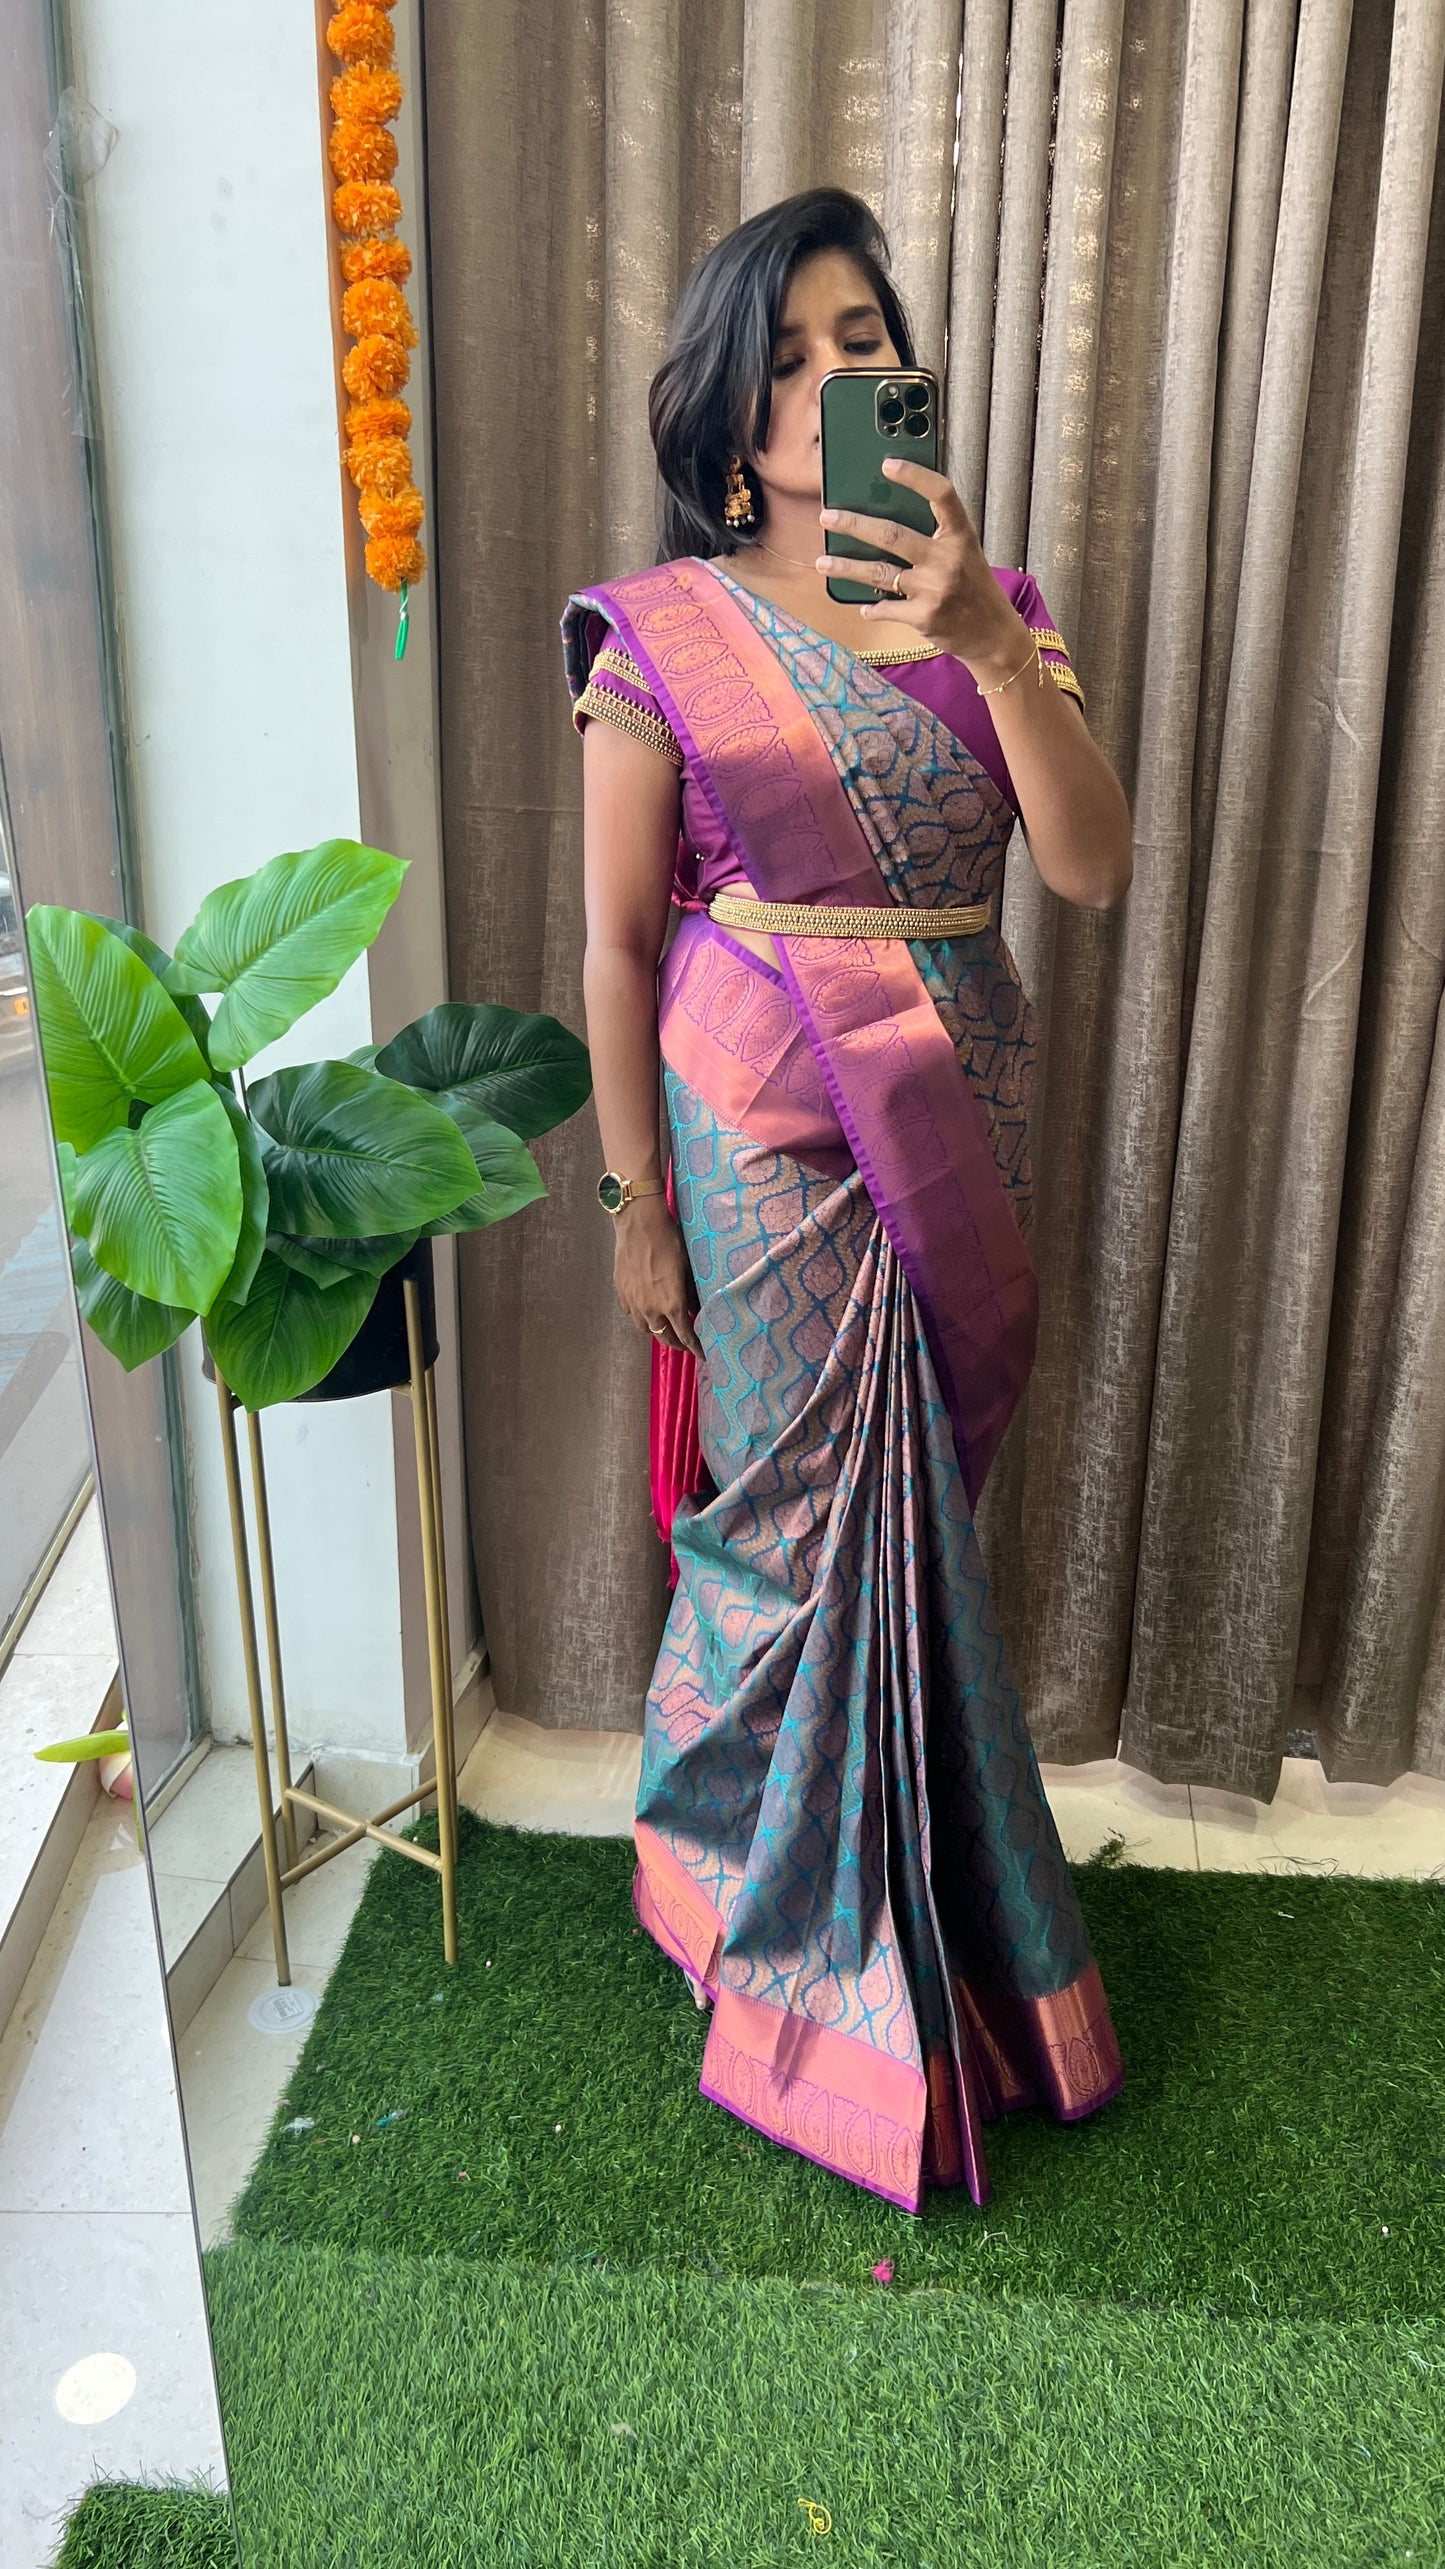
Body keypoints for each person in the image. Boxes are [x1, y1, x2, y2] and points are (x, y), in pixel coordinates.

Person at [561, 186, 1134, 2215]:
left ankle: (929, 1906)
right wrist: (632, 1201)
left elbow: (1088, 868)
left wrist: (984, 640)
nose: (830, 377)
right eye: (788, 353)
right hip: (754, 1119)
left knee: (920, 1526)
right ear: (732, 419)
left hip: (961, 1094)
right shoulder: (664, 635)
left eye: (860, 339)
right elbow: (616, 945)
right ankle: (754, 1897)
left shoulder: (1002, 606)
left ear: (910, 373)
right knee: (795, 1520)